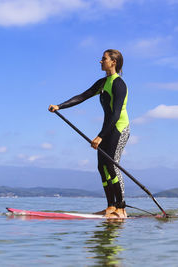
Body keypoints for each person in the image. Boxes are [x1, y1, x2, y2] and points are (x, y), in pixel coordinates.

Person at [48, 49, 130, 218]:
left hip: (119, 127)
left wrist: (100, 136)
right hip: (108, 128)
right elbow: (83, 96)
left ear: (113, 62)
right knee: (102, 167)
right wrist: (59, 106)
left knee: (112, 165)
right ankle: (110, 206)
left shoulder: (119, 84)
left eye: (104, 59)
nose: (100, 61)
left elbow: (115, 114)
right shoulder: (102, 82)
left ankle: (121, 208)